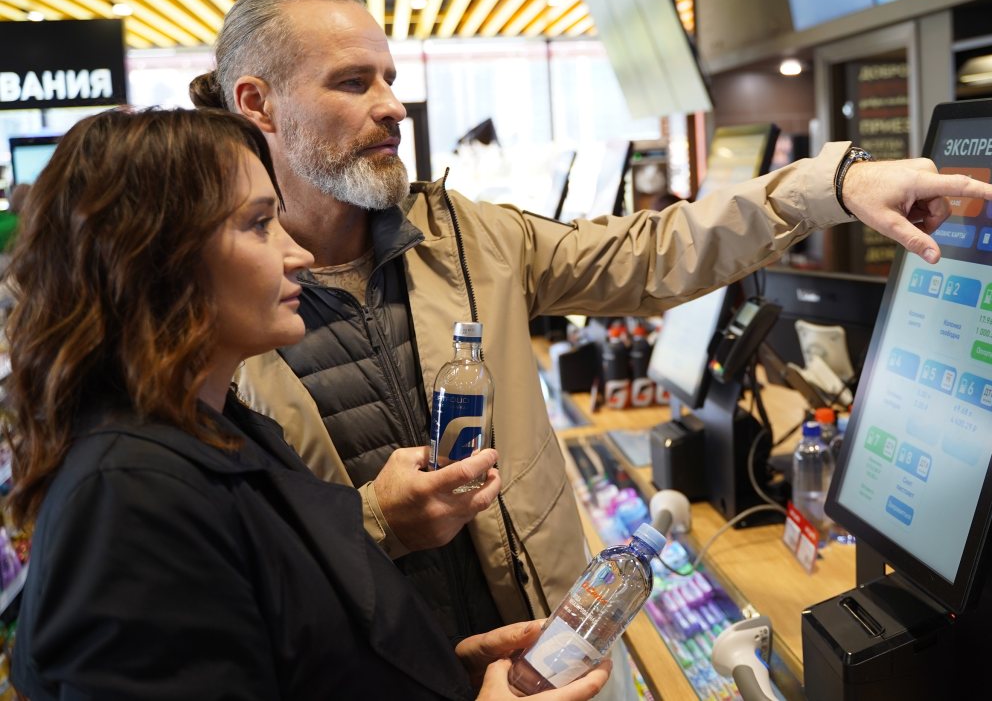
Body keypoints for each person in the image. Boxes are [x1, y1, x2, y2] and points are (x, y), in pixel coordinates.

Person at [188, 0, 992, 649]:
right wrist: (379, 521)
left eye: (391, 78)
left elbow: (652, 253)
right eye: (353, 82)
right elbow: (222, 561)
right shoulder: (205, 311)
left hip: (550, 652)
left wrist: (828, 187)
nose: (394, 106)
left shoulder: (467, 237)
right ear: (258, 102)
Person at [4, 108, 608, 701]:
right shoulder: (128, 495)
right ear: (156, 257)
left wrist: (448, 676)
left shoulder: (225, 430)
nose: (297, 254)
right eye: (260, 224)